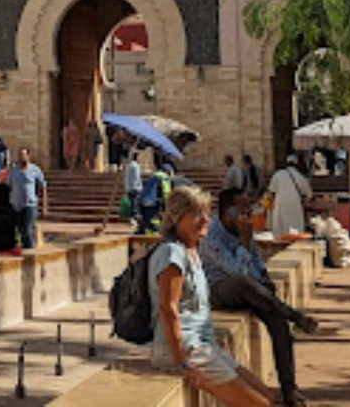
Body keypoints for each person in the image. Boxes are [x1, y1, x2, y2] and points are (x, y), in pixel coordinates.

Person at [149, 185, 274, 407]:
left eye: (207, 213)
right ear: (177, 217)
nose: (206, 219)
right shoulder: (171, 253)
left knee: (267, 397)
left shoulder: (192, 250)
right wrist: (182, 362)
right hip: (188, 351)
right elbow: (169, 309)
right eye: (197, 213)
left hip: (205, 346)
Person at [205, 189, 322, 407]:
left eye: (248, 209)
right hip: (220, 290)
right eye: (242, 210)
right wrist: (244, 240)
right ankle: (295, 316)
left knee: (278, 324)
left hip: (250, 290)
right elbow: (236, 271)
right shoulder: (211, 235)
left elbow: (257, 262)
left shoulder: (244, 229)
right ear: (228, 212)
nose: (248, 214)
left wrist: (265, 278)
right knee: (242, 282)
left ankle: (289, 390)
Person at [266, 155, 312, 237]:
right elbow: (309, 195)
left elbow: (271, 192)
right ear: (296, 165)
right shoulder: (300, 177)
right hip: (295, 206)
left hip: (280, 206)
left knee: (280, 229)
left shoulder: (277, 175)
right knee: (295, 229)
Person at [9, 147, 46, 248]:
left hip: (30, 205)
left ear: (28, 156)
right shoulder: (13, 171)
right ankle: (26, 249)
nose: (22, 158)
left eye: (23, 155)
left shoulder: (35, 170)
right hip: (16, 205)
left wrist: (44, 206)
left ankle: (30, 250)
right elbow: (9, 186)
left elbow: (43, 187)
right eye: (20, 155)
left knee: (27, 229)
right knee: (21, 230)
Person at [138, 159, 173, 234]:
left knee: (146, 222)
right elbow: (166, 192)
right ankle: (154, 237)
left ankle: (147, 237)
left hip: (142, 201)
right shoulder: (164, 177)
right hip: (151, 202)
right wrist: (168, 204)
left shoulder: (153, 175)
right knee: (154, 222)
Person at [123, 152, 144, 220]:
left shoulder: (128, 166)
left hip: (129, 188)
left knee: (132, 204)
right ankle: (134, 218)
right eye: (140, 157)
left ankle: (132, 218)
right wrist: (140, 187)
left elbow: (126, 178)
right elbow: (137, 177)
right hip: (135, 188)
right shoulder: (136, 166)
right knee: (135, 205)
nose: (140, 159)